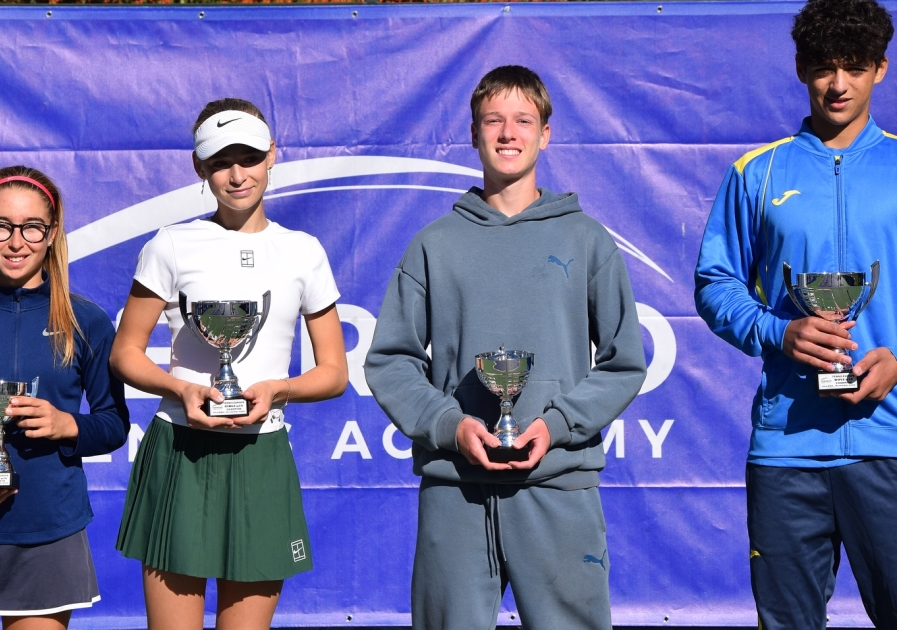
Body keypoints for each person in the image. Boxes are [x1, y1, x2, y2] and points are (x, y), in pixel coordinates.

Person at [364, 66, 646, 630]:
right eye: (493, 120)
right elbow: (390, 360)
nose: (508, 133)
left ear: (546, 133)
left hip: (559, 485)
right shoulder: (433, 244)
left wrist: (558, 423)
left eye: (523, 120)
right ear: (473, 134)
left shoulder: (585, 239)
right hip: (456, 489)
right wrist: (450, 425)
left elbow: (623, 361)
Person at [694, 1, 897, 626]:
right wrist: (779, 330)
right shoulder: (757, 172)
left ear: (880, 70)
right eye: (823, 68)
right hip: (787, 448)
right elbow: (715, 283)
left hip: (889, 441)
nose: (838, 85)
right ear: (801, 70)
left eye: (854, 68)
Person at [112, 97, 348, 630]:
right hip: (180, 450)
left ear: (272, 156)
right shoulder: (170, 244)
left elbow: (334, 371)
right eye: (220, 162)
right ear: (200, 169)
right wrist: (181, 391)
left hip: (261, 453)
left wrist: (278, 390)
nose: (237, 175)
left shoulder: (304, 250)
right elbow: (125, 352)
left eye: (248, 158)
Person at [0, 166, 130, 630]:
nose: (16, 242)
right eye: (1, 226)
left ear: (52, 234)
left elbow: (114, 423)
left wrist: (69, 425)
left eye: (32, 227)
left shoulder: (85, 321)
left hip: (50, 531)